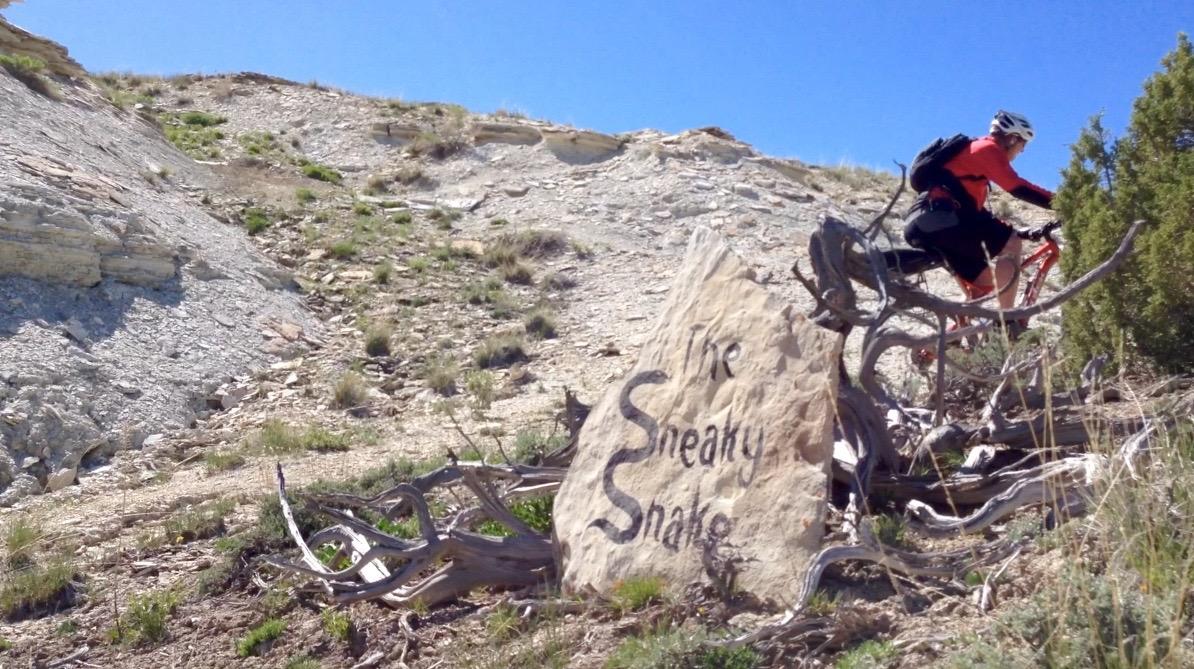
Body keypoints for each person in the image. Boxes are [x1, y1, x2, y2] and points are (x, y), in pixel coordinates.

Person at [903, 111, 1055, 329]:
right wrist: (1064, 202)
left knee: (984, 287)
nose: (1023, 150)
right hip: (941, 220)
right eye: (1023, 144)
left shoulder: (971, 156)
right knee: (1011, 244)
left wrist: (1023, 231)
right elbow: (1017, 187)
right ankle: (1006, 323)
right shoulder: (988, 149)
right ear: (1012, 138)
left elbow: (980, 217)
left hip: (930, 223)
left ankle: (943, 343)